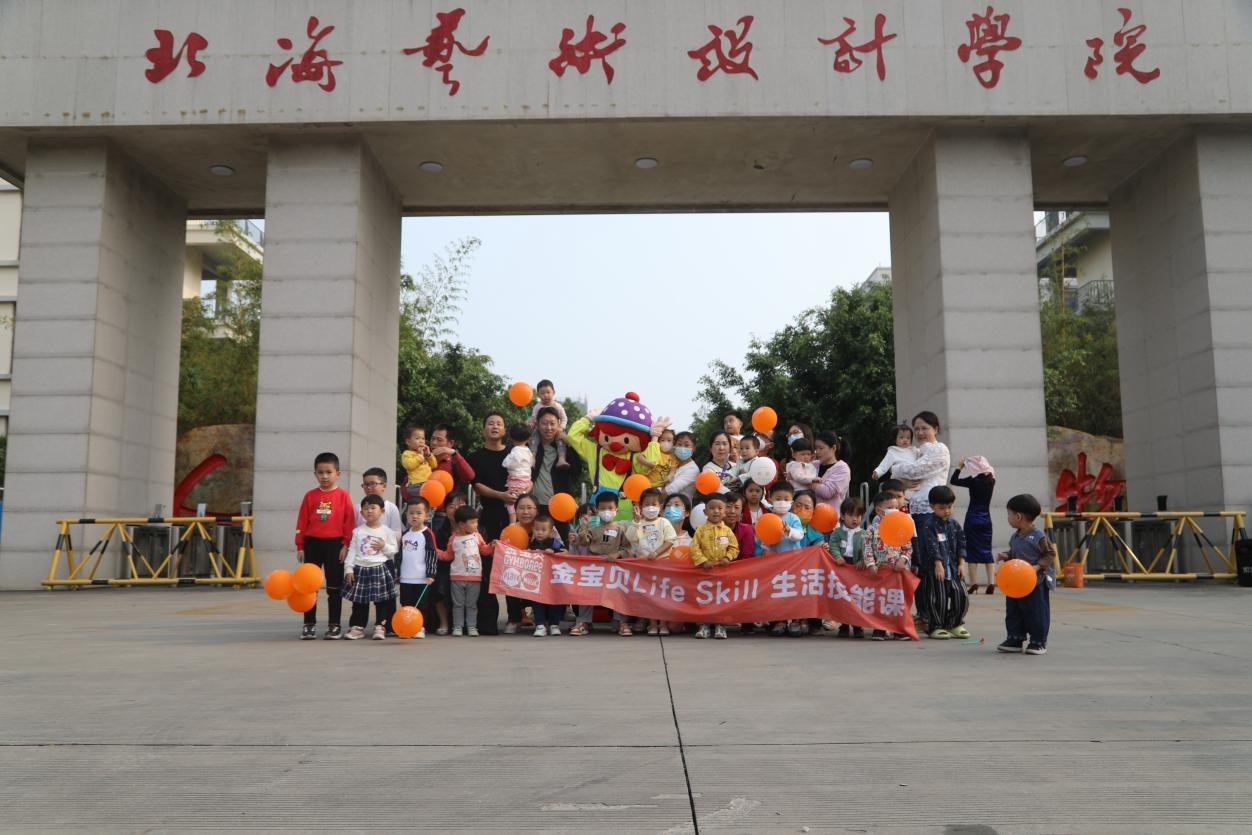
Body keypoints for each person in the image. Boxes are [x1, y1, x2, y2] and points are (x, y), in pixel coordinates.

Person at [294, 452, 355, 640]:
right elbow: (302, 521)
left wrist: (346, 545)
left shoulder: (343, 496)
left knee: (334, 587)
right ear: (315, 474)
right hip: (312, 543)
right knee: (309, 586)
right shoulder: (310, 496)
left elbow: (349, 522)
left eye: (329, 472)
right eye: (320, 472)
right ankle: (309, 624)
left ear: (338, 474)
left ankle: (334, 625)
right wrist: (300, 545)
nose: (325, 476)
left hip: (335, 545)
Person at [466, 413, 511, 634]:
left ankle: (516, 617)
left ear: (504, 429)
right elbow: (477, 485)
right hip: (489, 515)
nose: (495, 426)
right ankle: (488, 622)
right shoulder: (475, 457)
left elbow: (526, 477)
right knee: (487, 568)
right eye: (490, 423)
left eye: (499, 423)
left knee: (514, 566)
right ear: (483, 428)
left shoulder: (514, 453)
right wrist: (501, 495)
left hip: (513, 515)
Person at [996, 494, 1056, 655]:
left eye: (1009, 514)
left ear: (1018, 516)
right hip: (1016, 583)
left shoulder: (1038, 536)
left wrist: (1038, 566)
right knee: (1014, 610)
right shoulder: (1015, 536)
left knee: (1036, 612)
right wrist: (1006, 555)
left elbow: (1050, 554)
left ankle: (1038, 641)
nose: (1008, 518)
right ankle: (1015, 638)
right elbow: (1015, 554)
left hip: (1035, 582)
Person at [342, 495, 400, 640]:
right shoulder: (357, 531)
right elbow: (352, 551)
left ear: (382, 511)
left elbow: (394, 550)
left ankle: (380, 626)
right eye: (366, 509)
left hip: (379, 568)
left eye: (373, 508)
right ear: (361, 513)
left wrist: (384, 546)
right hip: (360, 569)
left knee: (382, 601)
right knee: (359, 601)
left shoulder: (387, 531)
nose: (369, 511)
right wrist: (349, 569)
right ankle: (357, 627)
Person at [573, 492, 633, 635]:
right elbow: (583, 542)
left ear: (616, 510)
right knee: (587, 592)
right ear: (597, 510)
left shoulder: (621, 529)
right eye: (603, 508)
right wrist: (584, 527)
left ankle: (621, 621)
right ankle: (584, 621)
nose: (607, 511)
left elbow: (628, 549)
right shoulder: (593, 529)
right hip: (595, 569)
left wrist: (617, 554)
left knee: (619, 592)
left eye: (610, 508)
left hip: (614, 569)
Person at [916, 485, 970, 640]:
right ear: (932, 506)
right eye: (942, 508)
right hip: (935, 570)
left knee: (961, 595)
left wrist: (962, 563)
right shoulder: (929, 524)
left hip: (953, 568)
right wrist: (938, 564)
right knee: (937, 599)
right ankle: (936, 626)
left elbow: (962, 543)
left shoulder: (954, 524)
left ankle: (954, 623)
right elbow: (931, 546)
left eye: (950, 507)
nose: (947, 511)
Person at [627, 488, 678, 636]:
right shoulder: (639, 523)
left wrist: (656, 553)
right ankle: (653, 624)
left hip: (662, 566)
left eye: (654, 504)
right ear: (640, 507)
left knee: (662, 596)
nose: (650, 508)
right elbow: (630, 538)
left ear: (660, 507)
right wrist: (636, 521)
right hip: (645, 567)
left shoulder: (664, 522)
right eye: (646, 504)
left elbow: (670, 540)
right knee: (650, 597)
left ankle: (663, 624)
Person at [530, 405, 585, 541]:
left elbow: (577, 470)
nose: (548, 427)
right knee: (535, 544)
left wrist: (569, 444)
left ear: (559, 424)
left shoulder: (564, 448)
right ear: (537, 424)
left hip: (560, 505)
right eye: (544, 423)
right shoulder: (531, 447)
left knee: (565, 542)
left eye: (552, 423)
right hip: (535, 505)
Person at [863, 494, 913, 640]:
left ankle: (899, 629)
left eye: (896, 507)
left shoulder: (901, 527)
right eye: (890, 507)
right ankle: (879, 629)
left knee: (897, 601)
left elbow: (907, 547)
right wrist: (871, 564)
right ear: (879, 510)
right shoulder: (872, 529)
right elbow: (867, 548)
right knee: (880, 600)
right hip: (880, 571)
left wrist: (903, 560)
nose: (895, 510)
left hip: (897, 572)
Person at [690, 494, 739, 640]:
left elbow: (734, 548)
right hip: (705, 572)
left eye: (720, 508)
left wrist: (727, 557)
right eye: (712, 508)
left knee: (720, 599)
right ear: (705, 512)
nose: (716, 511)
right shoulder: (700, 531)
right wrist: (703, 561)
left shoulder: (727, 531)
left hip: (723, 573)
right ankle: (704, 626)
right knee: (705, 599)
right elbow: (694, 548)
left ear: (724, 512)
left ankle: (720, 626)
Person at [891, 411, 951, 528]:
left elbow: (915, 471)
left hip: (930, 510)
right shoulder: (917, 452)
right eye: (916, 429)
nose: (920, 432)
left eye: (924, 428)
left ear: (935, 429)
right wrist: (904, 483)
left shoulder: (940, 449)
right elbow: (896, 480)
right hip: (911, 510)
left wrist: (894, 469)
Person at [441, 505, 492, 637]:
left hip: (475, 577)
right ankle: (457, 626)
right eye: (473, 522)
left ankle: (472, 626)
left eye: (476, 522)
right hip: (457, 577)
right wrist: (436, 552)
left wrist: (493, 546)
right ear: (461, 524)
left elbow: (484, 550)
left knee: (472, 604)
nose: (476, 525)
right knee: (458, 604)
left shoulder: (477, 536)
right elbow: (449, 555)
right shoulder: (453, 538)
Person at [764, 482, 806, 636]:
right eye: (778, 498)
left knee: (794, 592)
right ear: (770, 498)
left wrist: (789, 530)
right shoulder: (767, 518)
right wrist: (766, 549)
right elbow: (764, 541)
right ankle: (780, 621)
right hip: (775, 564)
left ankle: (795, 621)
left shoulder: (793, 518)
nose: (782, 502)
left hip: (794, 563)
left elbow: (799, 535)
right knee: (777, 592)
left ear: (791, 501)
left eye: (786, 499)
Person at [953, 455, 997, 593]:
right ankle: (991, 582)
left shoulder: (972, 481)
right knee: (987, 550)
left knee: (971, 550)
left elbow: (954, 481)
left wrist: (960, 467)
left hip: (972, 518)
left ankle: (973, 583)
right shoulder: (991, 480)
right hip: (986, 519)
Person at [397, 499, 437, 639]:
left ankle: (420, 627)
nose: (414, 516)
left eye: (419, 513)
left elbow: (432, 554)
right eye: (411, 513)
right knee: (406, 604)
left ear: (426, 515)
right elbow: (400, 555)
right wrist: (398, 573)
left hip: (421, 578)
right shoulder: (405, 534)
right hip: (406, 578)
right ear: (406, 515)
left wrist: (431, 573)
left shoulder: (427, 534)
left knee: (421, 605)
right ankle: (407, 627)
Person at [828, 497, 866, 638]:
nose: (855, 519)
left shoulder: (864, 534)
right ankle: (844, 625)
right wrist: (838, 556)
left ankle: (857, 626)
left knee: (856, 597)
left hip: (857, 568)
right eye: (851, 515)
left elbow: (867, 549)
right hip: (842, 566)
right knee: (843, 597)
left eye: (858, 515)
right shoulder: (837, 532)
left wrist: (863, 560)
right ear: (843, 516)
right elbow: (833, 545)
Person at [430, 492, 466, 635]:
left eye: (460, 505)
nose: (456, 509)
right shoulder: (439, 531)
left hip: (468, 569)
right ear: (445, 509)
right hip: (447, 568)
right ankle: (443, 622)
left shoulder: (476, 529)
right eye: (452, 506)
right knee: (439, 582)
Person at [528, 513, 567, 637]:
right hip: (537, 580)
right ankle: (540, 625)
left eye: (543, 530)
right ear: (533, 529)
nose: (540, 532)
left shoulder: (554, 542)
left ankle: (554, 624)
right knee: (537, 602)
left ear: (550, 531)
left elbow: (565, 553)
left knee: (554, 601)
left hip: (552, 580)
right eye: (537, 529)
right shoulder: (532, 543)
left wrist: (554, 552)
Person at [527, 379, 570, 469]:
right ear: (538, 395)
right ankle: (532, 457)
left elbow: (564, 418)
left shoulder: (558, 406)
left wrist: (561, 428)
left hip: (556, 429)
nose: (545, 395)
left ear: (553, 392)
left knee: (561, 440)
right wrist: (531, 424)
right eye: (542, 393)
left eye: (548, 392)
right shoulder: (537, 407)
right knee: (534, 438)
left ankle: (562, 459)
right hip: (539, 429)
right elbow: (534, 418)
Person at [812, 431, 851, 520]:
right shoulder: (814, 465)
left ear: (833, 448)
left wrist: (806, 483)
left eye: (821, 448)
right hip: (811, 519)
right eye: (816, 448)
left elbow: (827, 492)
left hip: (830, 520)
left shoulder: (842, 468)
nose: (817, 452)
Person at [502, 422, 535, 523]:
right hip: (526, 481)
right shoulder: (528, 451)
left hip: (516, 482)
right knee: (522, 504)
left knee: (511, 504)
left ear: (511, 438)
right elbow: (532, 463)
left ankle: (512, 524)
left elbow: (506, 464)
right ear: (528, 438)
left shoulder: (515, 451)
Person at [357, 467, 403, 538]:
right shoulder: (358, 508)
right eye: (366, 484)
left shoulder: (391, 508)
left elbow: (397, 534)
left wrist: (384, 543)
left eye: (373, 483)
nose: (368, 487)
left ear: (384, 486)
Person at [429, 424, 476, 494]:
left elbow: (470, 476)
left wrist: (454, 453)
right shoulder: (423, 459)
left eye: (439, 440)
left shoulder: (454, 462)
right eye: (433, 438)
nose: (434, 443)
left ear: (451, 443)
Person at [399, 425, 438, 505]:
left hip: (427, 483)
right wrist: (420, 456)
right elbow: (409, 465)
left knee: (430, 498)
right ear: (408, 442)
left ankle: (429, 510)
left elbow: (434, 465)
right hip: (415, 485)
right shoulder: (407, 454)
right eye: (417, 438)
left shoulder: (425, 454)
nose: (421, 441)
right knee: (426, 498)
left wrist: (429, 455)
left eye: (423, 438)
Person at [700, 431, 739, 495]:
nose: (721, 448)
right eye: (717, 444)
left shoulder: (737, 466)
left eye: (725, 444)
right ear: (710, 448)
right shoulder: (707, 470)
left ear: (730, 448)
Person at [664, 431, 700, 500]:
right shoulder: (669, 462)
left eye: (687, 445)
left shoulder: (693, 469)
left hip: (679, 506)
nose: (682, 448)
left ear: (694, 448)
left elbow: (669, 491)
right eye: (679, 444)